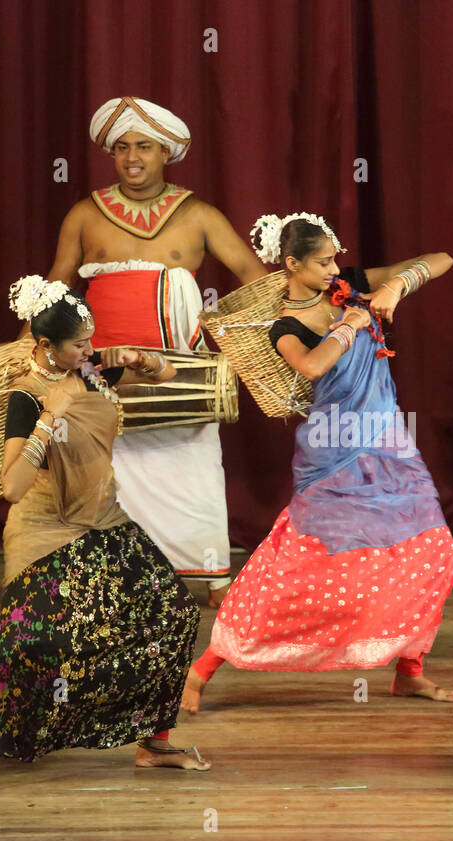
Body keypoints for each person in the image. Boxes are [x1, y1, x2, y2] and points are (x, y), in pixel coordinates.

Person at [0, 276, 210, 803]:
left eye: (91, 339)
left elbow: (168, 371)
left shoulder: (88, 366)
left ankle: (155, 743)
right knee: (27, 645)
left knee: (173, 612)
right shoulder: (26, 395)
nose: (90, 349)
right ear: (46, 347)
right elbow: (11, 487)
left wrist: (144, 362)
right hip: (45, 531)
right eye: (79, 343)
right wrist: (51, 414)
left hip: (104, 520)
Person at [182, 214, 453, 713]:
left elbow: (442, 259)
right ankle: (202, 669)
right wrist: (352, 324)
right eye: (324, 261)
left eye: (337, 258)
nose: (336, 269)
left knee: (433, 551)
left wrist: (397, 284)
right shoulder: (285, 325)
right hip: (334, 453)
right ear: (292, 264)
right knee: (295, 566)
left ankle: (410, 670)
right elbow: (311, 366)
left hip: (389, 442)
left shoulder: (349, 284)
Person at [43, 96, 268, 607]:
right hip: (102, 365)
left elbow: (254, 278)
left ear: (165, 151)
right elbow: (54, 286)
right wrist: (27, 346)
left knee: (192, 461)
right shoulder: (84, 214)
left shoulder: (198, 213)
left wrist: (251, 341)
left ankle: (211, 576)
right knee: (109, 466)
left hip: (178, 363)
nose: (132, 157)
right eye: (121, 147)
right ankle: (113, 574)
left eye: (143, 146)